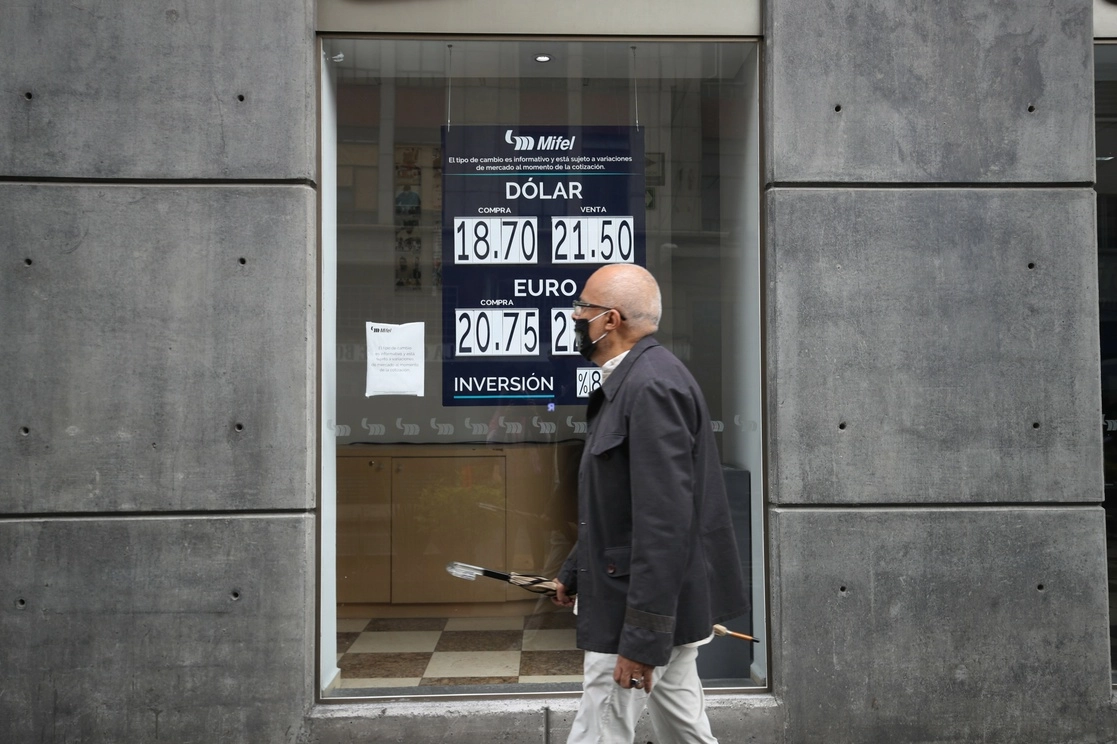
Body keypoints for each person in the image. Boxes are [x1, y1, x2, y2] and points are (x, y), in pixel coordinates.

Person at [552, 263, 750, 744]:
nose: (576, 316)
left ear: (610, 320)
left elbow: (664, 525)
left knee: (597, 732)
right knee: (683, 730)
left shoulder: (650, 388)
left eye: (583, 307)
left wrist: (640, 641)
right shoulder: (637, 380)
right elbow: (618, 503)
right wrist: (576, 569)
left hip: (636, 613)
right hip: (658, 607)